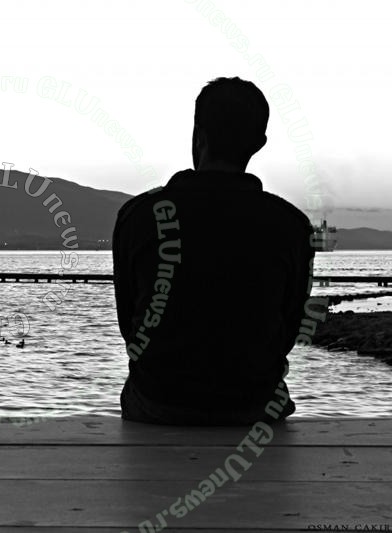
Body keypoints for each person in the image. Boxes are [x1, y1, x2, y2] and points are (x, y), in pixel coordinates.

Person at [112, 77, 314, 425]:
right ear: (259, 143)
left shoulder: (139, 216)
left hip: (157, 404)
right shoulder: (292, 226)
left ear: (198, 135)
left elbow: (132, 327)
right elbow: (289, 330)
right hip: (254, 407)